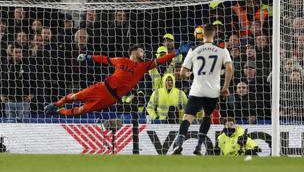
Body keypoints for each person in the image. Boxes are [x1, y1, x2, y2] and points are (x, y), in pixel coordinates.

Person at [44, 44, 191, 116]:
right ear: (134, 51)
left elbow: (161, 60)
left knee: (82, 110)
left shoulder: (144, 66)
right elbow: (104, 59)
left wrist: (175, 52)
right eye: (142, 50)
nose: (144, 53)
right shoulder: (120, 60)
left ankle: (58, 112)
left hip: (111, 98)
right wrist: (88, 57)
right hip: (102, 87)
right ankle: (56, 104)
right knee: (76, 96)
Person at [172, 23, 233, 155]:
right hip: (213, 92)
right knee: (207, 116)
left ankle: (179, 144)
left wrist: (189, 74)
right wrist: (225, 87)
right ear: (214, 34)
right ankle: (199, 146)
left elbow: (182, 72)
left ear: (202, 34)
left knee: (188, 117)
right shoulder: (222, 50)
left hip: (197, 90)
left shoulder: (194, 50)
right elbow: (229, 68)